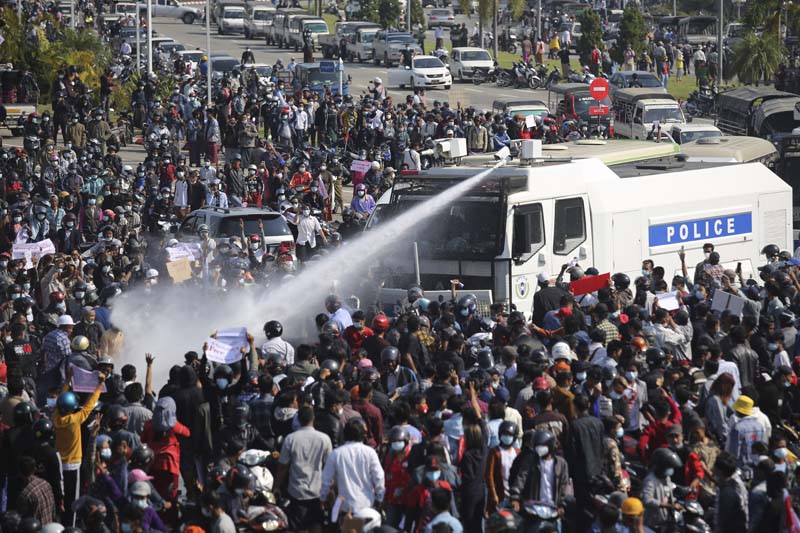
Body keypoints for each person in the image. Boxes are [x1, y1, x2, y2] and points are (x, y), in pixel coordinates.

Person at [275, 406, 331, 533]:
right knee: (316, 525)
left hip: (296, 492)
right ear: (314, 418)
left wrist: (277, 486)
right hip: (317, 492)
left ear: (298, 419)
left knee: (297, 527)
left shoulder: (290, 439)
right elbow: (328, 468)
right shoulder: (324, 439)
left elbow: (283, 467)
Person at [320, 418, 385, 517]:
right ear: (363, 434)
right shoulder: (370, 452)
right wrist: (379, 498)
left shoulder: (336, 454)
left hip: (345, 507)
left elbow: (325, 480)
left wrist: (323, 498)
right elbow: (379, 477)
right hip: (367, 506)